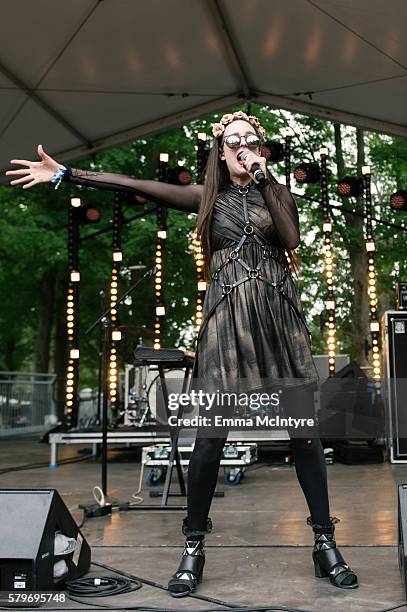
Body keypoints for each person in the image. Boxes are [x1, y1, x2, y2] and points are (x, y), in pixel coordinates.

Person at [6, 110, 358, 595]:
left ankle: (324, 544)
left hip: (279, 323)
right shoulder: (204, 200)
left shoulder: (276, 193)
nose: (241, 145)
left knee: (305, 437)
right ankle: (193, 547)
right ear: (219, 151)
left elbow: (292, 239)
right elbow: (133, 182)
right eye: (232, 141)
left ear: (261, 148)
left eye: (250, 140)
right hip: (227, 324)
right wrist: (69, 173)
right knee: (210, 438)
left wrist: (266, 177)